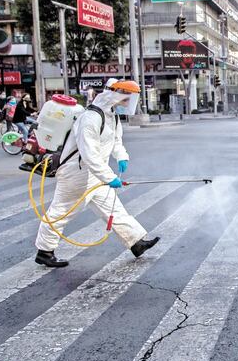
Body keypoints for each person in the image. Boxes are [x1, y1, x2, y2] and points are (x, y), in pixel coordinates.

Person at [34, 79, 160, 268]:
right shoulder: (91, 118)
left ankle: (136, 243)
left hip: (95, 173)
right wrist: (109, 177)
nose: (128, 103)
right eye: (127, 98)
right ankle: (44, 251)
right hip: (76, 173)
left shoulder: (111, 115)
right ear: (115, 95)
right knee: (62, 211)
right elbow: (89, 154)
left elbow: (115, 140)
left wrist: (121, 156)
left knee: (114, 209)